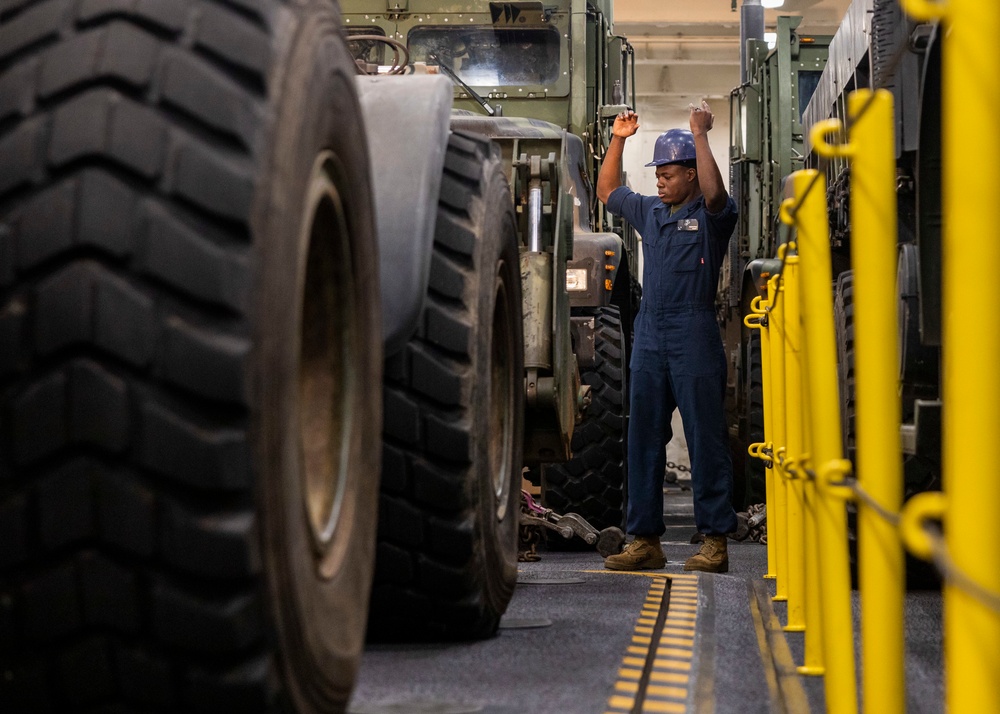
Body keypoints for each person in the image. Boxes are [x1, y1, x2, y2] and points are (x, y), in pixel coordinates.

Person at [599, 101, 738, 573]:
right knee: (642, 439)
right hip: (651, 335)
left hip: (695, 333)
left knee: (705, 439)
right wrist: (619, 138)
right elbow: (607, 189)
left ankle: (715, 541)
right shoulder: (650, 213)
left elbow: (717, 193)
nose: (659, 180)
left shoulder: (714, 214)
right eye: (657, 171)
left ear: (691, 175)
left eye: (669, 172)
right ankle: (645, 541)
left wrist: (700, 135)